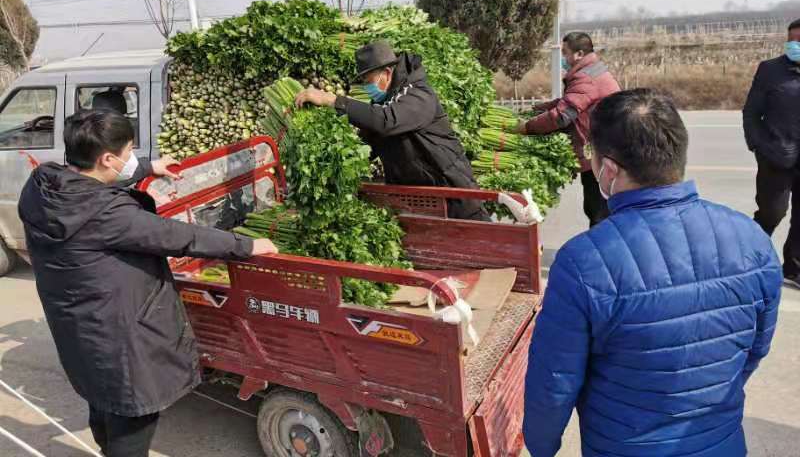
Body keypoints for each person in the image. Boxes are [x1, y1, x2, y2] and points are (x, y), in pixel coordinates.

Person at [523, 89, 782, 457]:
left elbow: (553, 385)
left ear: (608, 170)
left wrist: (541, 448)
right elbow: (753, 351)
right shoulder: (753, 241)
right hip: (721, 444)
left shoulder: (583, 263)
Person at [18, 109, 277, 457]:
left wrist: (145, 169)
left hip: (81, 331)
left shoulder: (42, 187)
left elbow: (89, 184)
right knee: (132, 419)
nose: (131, 158)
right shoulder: (107, 214)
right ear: (107, 158)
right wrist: (245, 246)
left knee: (103, 402)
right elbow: (175, 235)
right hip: (119, 339)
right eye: (128, 153)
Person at [295, 40, 488, 221]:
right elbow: (364, 148)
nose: (366, 87)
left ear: (387, 73)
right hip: (421, 202)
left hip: (455, 200)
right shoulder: (385, 103)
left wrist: (333, 100)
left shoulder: (417, 94)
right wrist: (326, 166)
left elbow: (387, 121)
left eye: (368, 80)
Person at [517, 32, 620, 227]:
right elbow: (569, 101)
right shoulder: (592, 70)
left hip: (600, 152)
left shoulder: (586, 79)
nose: (563, 58)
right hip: (606, 147)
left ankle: (601, 253)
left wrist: (527, 127)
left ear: (579, 54)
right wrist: (540, 108)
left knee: (598, 211)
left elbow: (562, 116)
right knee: (600, 209)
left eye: (565, 53)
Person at [743, 17, 800, 288]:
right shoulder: (770, 70)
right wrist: (758, 146)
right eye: (792, 40)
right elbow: (752, 112)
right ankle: (751, 260)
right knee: (771, 213)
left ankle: (794, 267)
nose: (795, 45)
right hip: (776, 156)